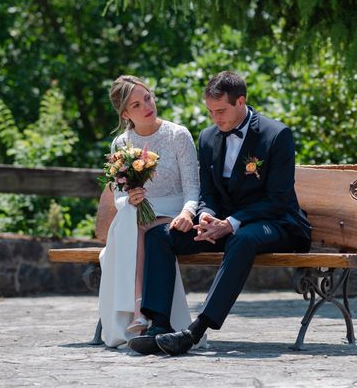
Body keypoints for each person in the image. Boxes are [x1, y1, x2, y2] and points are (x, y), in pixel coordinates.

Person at [128, 71, 311, 356]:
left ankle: (194, 331)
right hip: (222, 224)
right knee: (161, 235)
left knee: (244, 238)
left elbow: (278, 199)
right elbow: (208, 191)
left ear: (241, 101)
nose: (216, 118)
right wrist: (205, 216)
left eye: (221, 111)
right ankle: (158, 326)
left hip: (276, 224)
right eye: (210, 112)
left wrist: (231, 223)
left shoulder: (277, 135)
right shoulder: (208, 137)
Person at [98, 75, 198, 348]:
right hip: (139, 213)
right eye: (136, 105)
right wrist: (131, 198)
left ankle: (139, 310)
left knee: (142, 229)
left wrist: (187, 213)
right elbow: (118, 195)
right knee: (132, 223)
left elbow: (193, 190)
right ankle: (135, 314)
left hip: (174, 212)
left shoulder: (178, 135)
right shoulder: (121, 144)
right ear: (126, 114)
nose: (146, 106)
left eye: (147, 98)